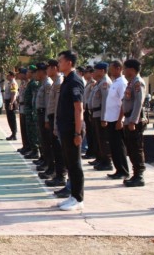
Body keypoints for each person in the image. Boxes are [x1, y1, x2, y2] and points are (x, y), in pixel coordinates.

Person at [55, 50, 85, 211]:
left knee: (75, 164)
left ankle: (79, 198)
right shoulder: (66, 80)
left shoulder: (75, 80)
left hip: (73, 129)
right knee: (69, 163)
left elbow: (78, 108)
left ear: (69, 63)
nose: (58, 63)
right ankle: (73, 195)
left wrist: (78, 133)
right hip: (64, 128)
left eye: (60, 61)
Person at [119, 59, 147, 187]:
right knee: (131, 148)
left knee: (136, 148)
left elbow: (138, 103)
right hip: (128, 119)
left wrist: (133, 121)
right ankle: (135, 174)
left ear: (131, 69)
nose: (123, 71)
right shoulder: (131, 83)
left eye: (125, 68)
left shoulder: (137, 83)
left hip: (134, 120)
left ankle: (139, 176)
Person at [104, 60, 129, 180]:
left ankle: (123, 170)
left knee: (119, 146)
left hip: (116, 120)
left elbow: (124, 103)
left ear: (118, 68)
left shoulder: (122, 83)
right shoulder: (115, 82)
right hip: (111, 119)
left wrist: (120, 120)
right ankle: (118, 169)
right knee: (113, 147)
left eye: (112, 68)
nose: (110, 71)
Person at [45, 60, 66, 188]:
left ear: (53, 68)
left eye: (48, 68)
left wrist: (55, 123)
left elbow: (58, 105)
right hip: (53, 117)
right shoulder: (55, 83)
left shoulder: (59, 82)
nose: (47, 71)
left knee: (58, 149)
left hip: (57, 118)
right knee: (54, 147)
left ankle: (61, 176)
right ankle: (57, 174)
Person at [89, 63, 113, 171]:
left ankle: (107, 162)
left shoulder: (105, 83)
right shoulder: (99, 83)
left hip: (100, 115)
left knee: (103, 139)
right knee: (98, 139)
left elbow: (105, 102)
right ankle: (100, 159)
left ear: (102, 71)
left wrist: (104, 118)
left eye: (96, 70)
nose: (94, 72)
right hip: (95, 114)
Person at [34, 62, 54, 179]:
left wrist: (47, 119)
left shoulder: (47, 84)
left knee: (47, 142)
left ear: (42, 71)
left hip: (45, 115)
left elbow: (48, 104)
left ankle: (50, 166)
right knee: (44, 141)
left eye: (38, 71)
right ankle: (47, 163)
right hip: (41, 114)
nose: (36, 73)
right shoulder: (43, 83)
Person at [22, 65, 40, 159]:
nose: (26, 73)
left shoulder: (34, 84)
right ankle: (32, 149)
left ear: (32, 73)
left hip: (31, 110)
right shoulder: (30, 83)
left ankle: (35, 150)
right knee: (29, 131)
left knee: (33, 132)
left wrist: (33, 110)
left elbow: (34, 98)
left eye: (28, 72)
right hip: (28, 110)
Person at [16, 68, 30, 153]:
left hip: (26, 108)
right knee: (23, 128)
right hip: (21, 107)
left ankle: (28, 147)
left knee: (26, 128)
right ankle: (25, 145)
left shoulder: (28, 83)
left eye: (20, 73)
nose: (19, 75)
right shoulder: (22, 83)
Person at [4, 71, 19, 141]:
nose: (7, 76)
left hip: (11, 101)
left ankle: (14, 134)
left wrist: (11, 103)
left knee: (12, 118)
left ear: (12, 76)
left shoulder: (13, 83)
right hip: (8, 101)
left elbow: (13, 94)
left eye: (8, 75)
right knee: (9, 118)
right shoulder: (9, 83)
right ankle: (13, 133)